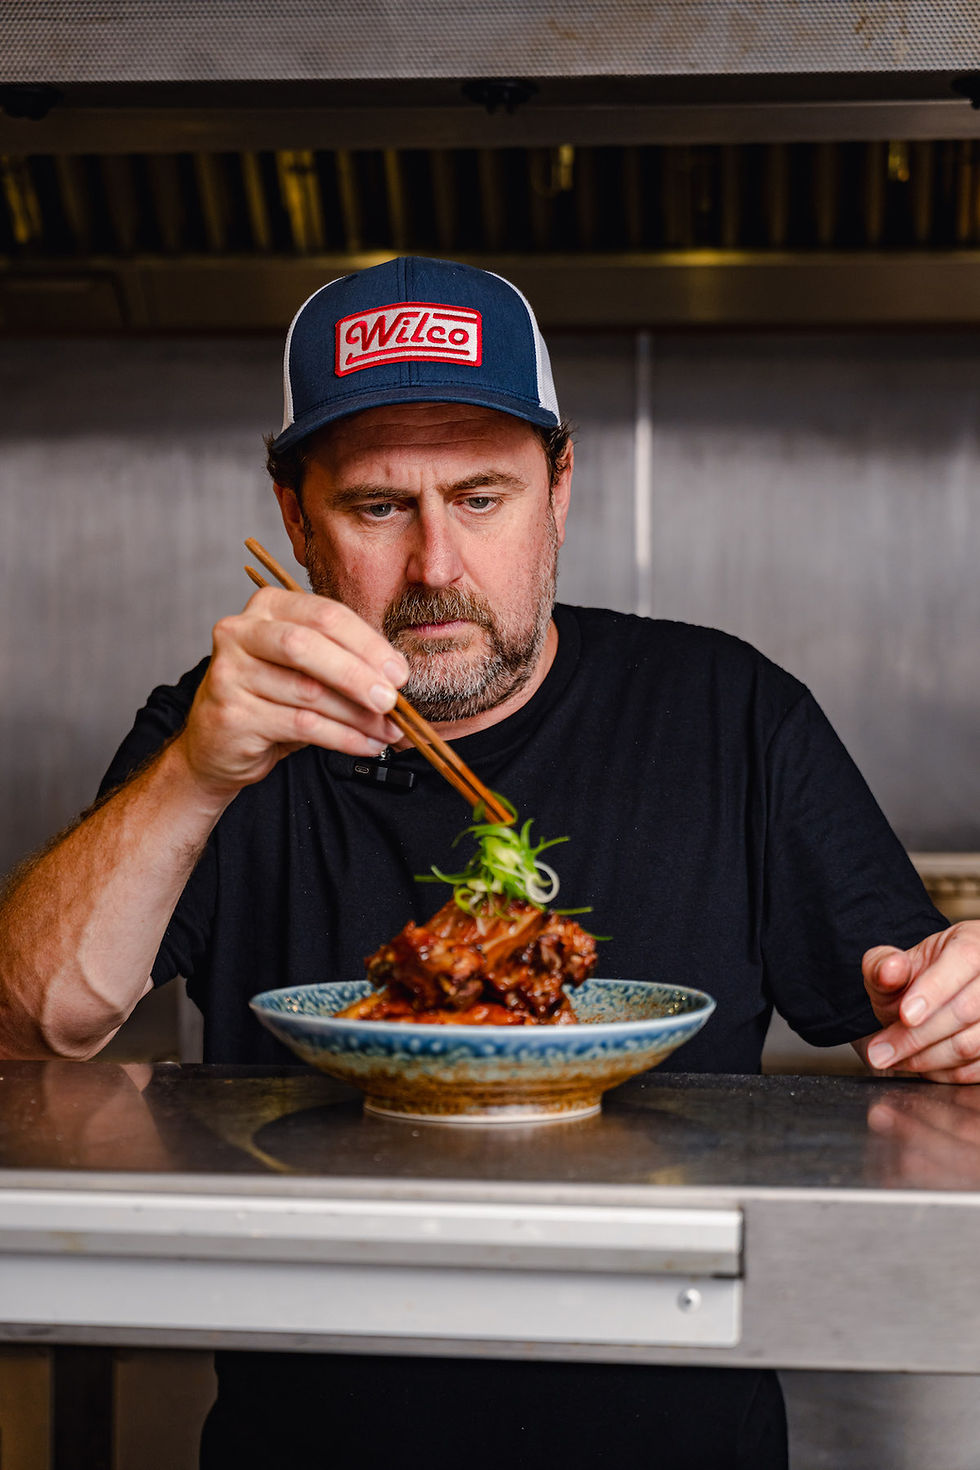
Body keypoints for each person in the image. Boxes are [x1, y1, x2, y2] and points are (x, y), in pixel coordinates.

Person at [1, 256, 978, 1469]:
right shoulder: (218, 733)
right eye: (374, 508)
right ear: (294, 513)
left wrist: (959, 1002)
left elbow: (923, 1020)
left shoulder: (729, 714)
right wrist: (197, 773)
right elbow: (34, 1027)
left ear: (558, 489)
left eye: (480, 497)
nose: (435, 570)